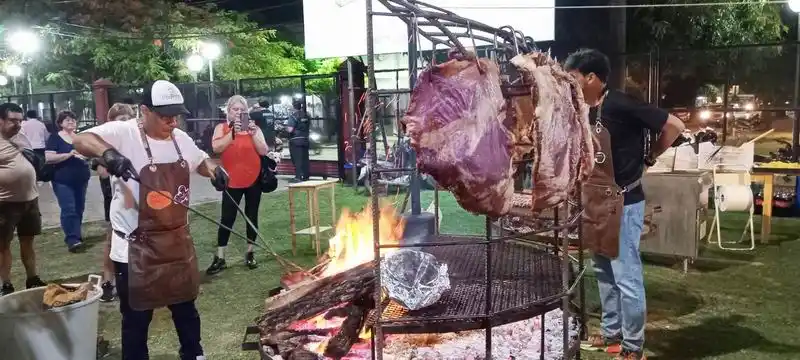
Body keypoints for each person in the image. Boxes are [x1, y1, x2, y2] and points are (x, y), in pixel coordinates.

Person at [73, 80, 228, 360]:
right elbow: (80, 139)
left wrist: (215, 171)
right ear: (144, 111)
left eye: (176, 114)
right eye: (165, 114)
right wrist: (108, 154)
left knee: (186, 309)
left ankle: (193, 354)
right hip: (136, 249)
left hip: (175, 242)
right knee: (136, 317)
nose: (172, 120)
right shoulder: (124, 132)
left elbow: (201, 160)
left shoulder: (181, 139)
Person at [565, 49, 684, 360]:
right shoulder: (583, 109)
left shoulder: (620, 103)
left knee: (626, 276)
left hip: (624, 202)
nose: (569, 82)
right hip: (594, 203)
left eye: (573, 77)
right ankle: (611, 335)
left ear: (591, 77)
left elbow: (674, 125)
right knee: (603, 272)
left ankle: (633, 347)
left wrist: (649, 157)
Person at [206, 95, 269, 275]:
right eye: (235, 109)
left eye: (242, 110)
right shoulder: (222, 128)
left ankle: (250, 253)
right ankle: (220, 257)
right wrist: (233, 132)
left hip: (254, 178)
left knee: (251, 215)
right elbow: (217, 148)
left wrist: (253, 133)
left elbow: (264, 150)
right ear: (229, 111)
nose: (239, 113)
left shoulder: (254, 128)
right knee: (227, 217)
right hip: (231, 180)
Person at [0, 103, 46, 296]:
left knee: (28, 241)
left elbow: (33, 161)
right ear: (0, 120)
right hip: (5, 203)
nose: (18, 124)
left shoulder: (21, 137)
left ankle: (32, 278)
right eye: (12, 120)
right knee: (3, 245)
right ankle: (5, 284)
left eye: (20, 120)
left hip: (30, 200)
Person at [94, 103, 137, 302]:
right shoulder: (105, 144)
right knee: (113, 240)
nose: (126, 123)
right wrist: (110, 161)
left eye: (129, 118)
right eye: (121, 119)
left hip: (135, 201)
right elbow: (102, 172)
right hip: (115, 200)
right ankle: (108, 281)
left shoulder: (136, 140)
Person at [46, 110, 91, 253]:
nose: (71, 122)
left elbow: (89, 154)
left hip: (81, 177)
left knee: (79, 208)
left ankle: (77, 235)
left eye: (73, 119)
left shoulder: (80, 137)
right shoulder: (55, 138)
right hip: (62, 179)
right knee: (68, 209)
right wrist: (69, 154)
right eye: (67, 120)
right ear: (60, 123)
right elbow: (49, 158)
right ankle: (72, 239)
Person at [285, 98, 310, 183]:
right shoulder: (306, 115)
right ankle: (306, 176)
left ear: (293, 107)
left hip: (295, 140)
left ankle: (298, 177)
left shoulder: (293, 116)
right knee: (305, 158)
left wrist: (284, 128)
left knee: (297, 159)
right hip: (305, 139)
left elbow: (290, 130)